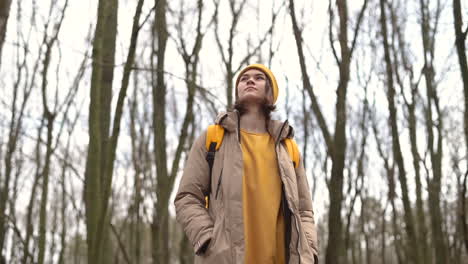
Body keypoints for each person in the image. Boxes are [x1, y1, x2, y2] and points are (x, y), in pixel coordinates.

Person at [174, 64, 318, 263]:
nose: (250, 80)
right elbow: (187, 196)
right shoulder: (214, 138)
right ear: (237, 92)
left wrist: (308, 250)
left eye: (259, 78)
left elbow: (304, 210)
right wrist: (207, 238)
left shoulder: (288, 147)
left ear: (271, 93)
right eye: (244, 78)